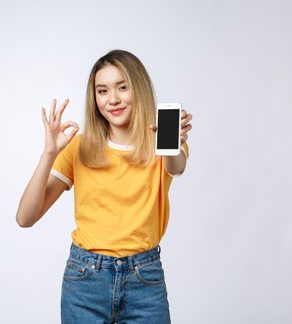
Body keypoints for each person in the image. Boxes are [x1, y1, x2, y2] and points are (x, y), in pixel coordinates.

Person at [16, 49, 193, 324]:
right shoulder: (79, 147)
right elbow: (25, 218)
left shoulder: (161, 147)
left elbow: (177, 166)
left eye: (123, 87)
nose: (113, 99)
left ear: (139, 89)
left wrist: (173, 142)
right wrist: (49, 153)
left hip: (144, 279)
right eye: (102, 91)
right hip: (86, 280)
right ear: (94, 97)